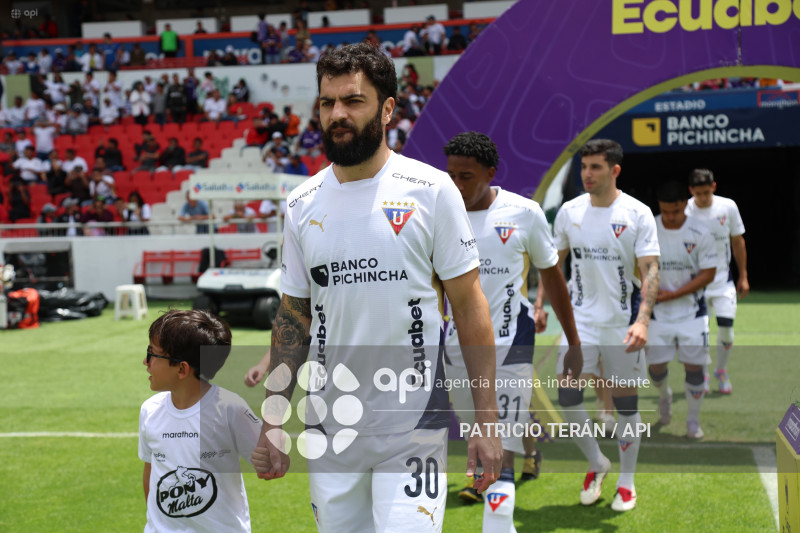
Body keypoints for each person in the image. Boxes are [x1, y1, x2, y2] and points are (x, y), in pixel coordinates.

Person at [250, 42, 503, 532]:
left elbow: (471, 307)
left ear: (387, 108)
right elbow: (293, 317)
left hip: (414, 426)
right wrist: (273, 419)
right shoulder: (301, 203)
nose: (337, 114)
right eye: (327, 103)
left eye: (353, 100)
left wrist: (485, 423)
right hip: (329, 426)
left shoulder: (431, 191)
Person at [441, 132, 582, 530]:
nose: (456, 185)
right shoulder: (438, 215)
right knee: (481, 450)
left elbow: (552, 277)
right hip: (457, 354)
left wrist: (573, 341)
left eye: (465, 176)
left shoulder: (524, 213)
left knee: (498, 451)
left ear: (491, 172)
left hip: (512, 349)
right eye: (450, 175)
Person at [552, 138, 660, 512]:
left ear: (615, 170)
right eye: (584, 167)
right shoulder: (569, 211)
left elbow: (650, 272)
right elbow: (555, 265)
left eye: (596, 167)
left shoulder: (638, 213)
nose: (587, 174)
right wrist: (538, 305)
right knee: (567, 395)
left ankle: (627, 483)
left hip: (621, 325)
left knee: (626, 405)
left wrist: (643, 321)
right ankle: (597, 462)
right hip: (580, 325)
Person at [139, 309, 262, 532]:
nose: (145, 361)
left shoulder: (230, 409)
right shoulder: (150, 410)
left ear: (182, 369)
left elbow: (268, 461)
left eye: (152, 354)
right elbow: (151, 472)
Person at [646, 181, 717, 440]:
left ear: (685, 205)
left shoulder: (701, 231)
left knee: (695, 368)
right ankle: (664, 395)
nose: (671, 217)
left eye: (676, 211)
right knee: (655, 369)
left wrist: (673, 294)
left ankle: (692, 421)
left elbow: (709, 273)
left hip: (692, 313)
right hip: (657, 315)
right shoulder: (649, 227)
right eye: (666, 212)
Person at [685, 168, 748, 394]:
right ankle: (702, 373)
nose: (703, 198)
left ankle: (720, 370)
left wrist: (744, 275)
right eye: (698, 193)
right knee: (699, 334)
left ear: (714, 187)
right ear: (691, 191)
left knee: (727, 332)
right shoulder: (685, 210)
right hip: (696, 285)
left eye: (707, 193)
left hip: (723, 282)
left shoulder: (727, 207)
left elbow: (737, 241)